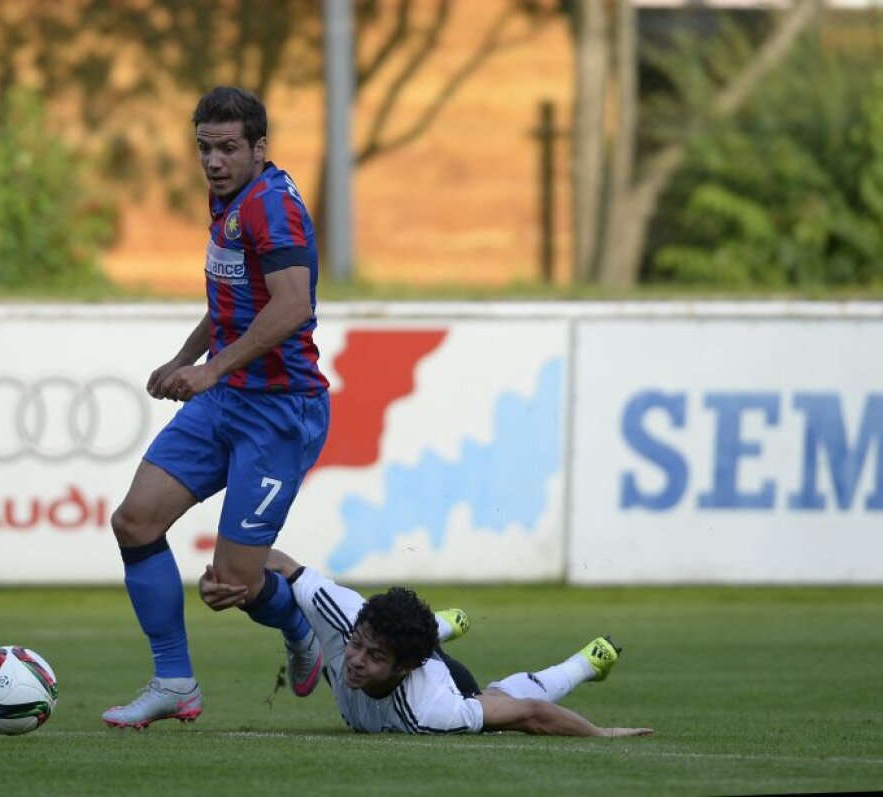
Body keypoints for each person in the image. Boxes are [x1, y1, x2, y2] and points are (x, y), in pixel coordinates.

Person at [101, 87, 330, 729]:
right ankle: (174, 682)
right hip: (227, 398)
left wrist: (211, 370)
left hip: (281, 410)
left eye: (228, 148)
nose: (214, 161)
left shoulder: (273, 207)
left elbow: (291, 307)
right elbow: (234, 301)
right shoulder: (227, 198)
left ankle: (300, 629)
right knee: (135, 522)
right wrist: (184, 360)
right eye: (205, 148)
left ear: (260, 148)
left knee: (233, 586)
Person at [199, 551, 654, 737]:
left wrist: (598, 734)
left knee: (497, 697)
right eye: (357, 646)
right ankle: (440, 624)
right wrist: (223, 577)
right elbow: (276, 560)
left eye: (374, 657)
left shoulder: (432, 708)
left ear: (403, 668)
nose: (355, 661)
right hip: (405, 644)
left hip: (448, 677)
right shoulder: (343, 614)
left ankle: (586, 661)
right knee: (373, 634)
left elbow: (531, 714)